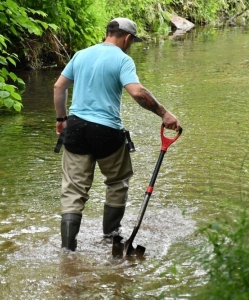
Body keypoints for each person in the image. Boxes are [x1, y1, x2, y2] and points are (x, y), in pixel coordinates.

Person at [54, 17, 181, 251]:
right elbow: (137, 92)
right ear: (128, 38)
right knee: (117, 183)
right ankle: (111, 237)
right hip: (107, 132)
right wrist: (164, 113)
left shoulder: (81, 54)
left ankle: (68, 251)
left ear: (107, 33)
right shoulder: (123, 60)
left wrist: (61, 120)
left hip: (76, 128)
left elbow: (59, 87)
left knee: (73, 190)